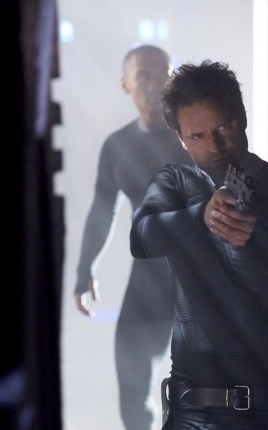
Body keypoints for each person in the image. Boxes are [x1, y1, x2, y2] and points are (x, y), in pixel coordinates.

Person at [130, 60, 268, 430]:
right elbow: (141, 238)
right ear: (180, 139)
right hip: (196, 409)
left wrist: (254, 242)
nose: (215, 146)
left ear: (242, 118)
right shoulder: (175, 183)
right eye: (198, 136)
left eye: (223, 128)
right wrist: (200, 217)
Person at [74, 44, 192, 430]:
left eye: (164, 75)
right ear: (125, 84)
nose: (156, 85)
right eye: (144, 75)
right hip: (150, 277)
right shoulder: (118, 146)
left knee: (205, 389)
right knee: (132, 385)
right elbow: (102, 210)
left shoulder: (194, 136)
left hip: (203, 275)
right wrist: (85, 269)